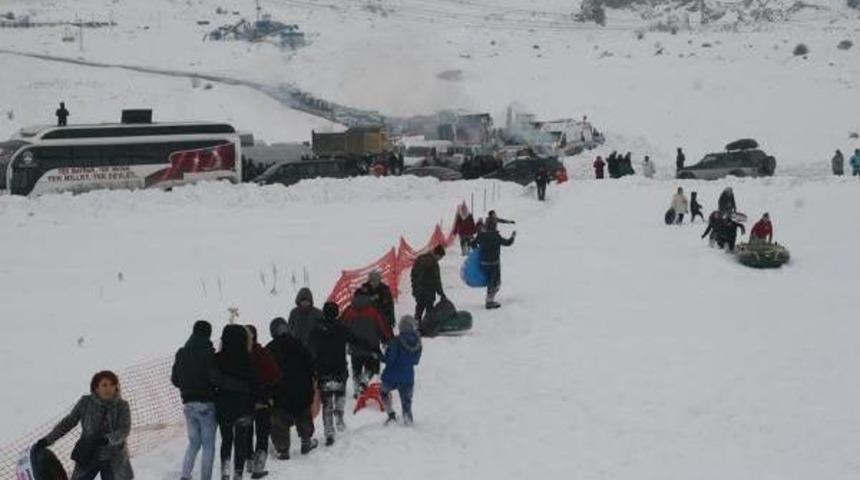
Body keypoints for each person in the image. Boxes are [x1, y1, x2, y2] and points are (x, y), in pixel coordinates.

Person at [171, 320, 248, 480]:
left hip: (188, 405)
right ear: (208, 334)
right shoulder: (207, 353)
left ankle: (185, 475)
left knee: (193, 443)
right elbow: (216, 379)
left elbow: (175, 380)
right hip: (206, 404)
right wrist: (240, 386)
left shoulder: (181, 352)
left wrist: (188, 386)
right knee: (208, 445)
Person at [36, 371, 133, 480]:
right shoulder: (85, 402)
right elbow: (68, 422)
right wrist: (48, 440)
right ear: (96, 388)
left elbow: (124, 429)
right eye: (104, 385)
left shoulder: (122, 406)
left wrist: (108, 439)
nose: (108, 388)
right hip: (89, 453)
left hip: (114, 457)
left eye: (112, 385)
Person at [309, 302, 382, 445]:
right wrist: (373, 348)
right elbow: (356, 340)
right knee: (340, 395)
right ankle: (340, 415)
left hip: (323, 372)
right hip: (339, 371)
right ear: (336, 313)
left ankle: (329, 432)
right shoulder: (341, 328)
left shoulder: (316, 330)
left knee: (327, 404)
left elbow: (308, 348)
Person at [265, 318, 317, 459]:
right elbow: (311, 364)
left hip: (280, 392)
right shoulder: (299, 344)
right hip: (302, 389)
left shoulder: (269, 349)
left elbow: (265, 372)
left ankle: (282, 450)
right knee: (303, 413)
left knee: (279, 420)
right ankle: (306, 442)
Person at [215, 325, 259, 480]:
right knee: (240, 442)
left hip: (223, 408)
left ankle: (225, 470)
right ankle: (238, 474)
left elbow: (213, 381)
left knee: (226, 440)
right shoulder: (247, 358)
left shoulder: (218, 358)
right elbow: (255, 383)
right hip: (244, 407)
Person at [244, 325, 282, 479]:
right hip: (262, 400)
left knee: (246, 432)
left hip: (244, 402)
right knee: (262, 433)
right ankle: (258, 465)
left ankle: (248, 462)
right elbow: (275, 374)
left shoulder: (238, 354)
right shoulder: (261, 352)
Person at [342, 285, 393, 396]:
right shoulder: (374, 311)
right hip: (372, 346)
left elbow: (342, 327)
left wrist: (343, 342)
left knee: (356, 369)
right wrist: (386, 340)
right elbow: (382, 327)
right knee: (373, 368)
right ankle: (365, 382)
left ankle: (356, 389)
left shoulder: (349, 311)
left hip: (354, 347)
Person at [380, 316, 423, 426]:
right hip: (408, 377)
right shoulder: (418, 342)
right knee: (406, 402)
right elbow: (415, 361)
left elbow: (389, 360)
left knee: (384, 392)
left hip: (391, 376)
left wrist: (380, 356)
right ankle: (408, 421)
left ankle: (391, 414)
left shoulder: (395, 341)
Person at [471, 217, 516, 309]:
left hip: (484, 263)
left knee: (490, 282)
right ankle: (489, 301)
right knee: (495, 282)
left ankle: (489, 299)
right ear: (495, 226)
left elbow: (472, 244)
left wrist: (478, 250)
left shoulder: (481, 235)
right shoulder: (496, 236)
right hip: (494, 264)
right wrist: (513, 236)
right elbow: (508, 243)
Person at [410, 245, 446, 322]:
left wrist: (415, 287)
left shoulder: (420, 258)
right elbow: (436, 280)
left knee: (419, 308)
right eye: (440, 257)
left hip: (418, 289)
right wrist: (441, 293)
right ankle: (428, 327)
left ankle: (416, 325)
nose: (439, 259)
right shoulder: (433, 263)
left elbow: (413, 274)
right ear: (437, 254)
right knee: (429, 310)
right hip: (428, 290)